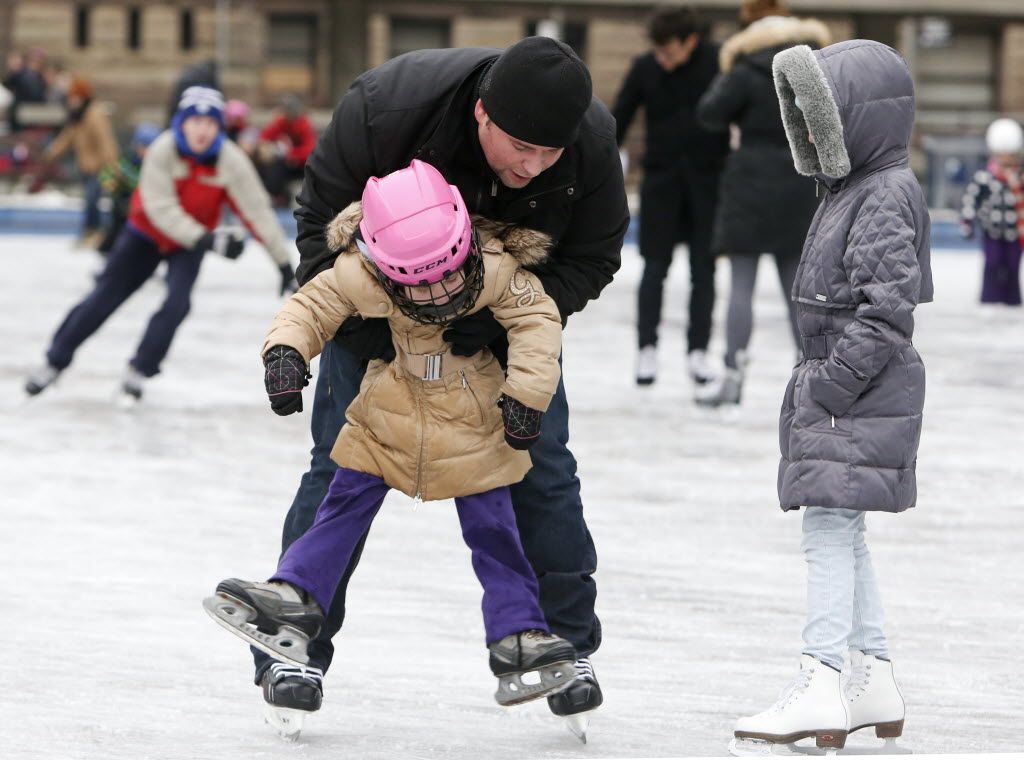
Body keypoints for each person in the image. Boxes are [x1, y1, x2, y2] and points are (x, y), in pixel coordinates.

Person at [252, 37, 627, 743]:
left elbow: (593, 257)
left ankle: (562, 646)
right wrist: (371, 347)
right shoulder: (385, 111)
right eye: (520, 146)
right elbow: (317, 241)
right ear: (482, 114)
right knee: (340, 466)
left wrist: (500, 327)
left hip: (510, 320)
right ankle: (292, 646)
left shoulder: (590, 142)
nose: (533, 166)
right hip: (377, 322)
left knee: (541, 469)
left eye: (550, 154)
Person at [205, 160, 578, 737]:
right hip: (388, 412)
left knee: (496, 531)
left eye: (449, 275)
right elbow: (312, 304)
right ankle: (293, 594)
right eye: (418, 280)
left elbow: (536, 321)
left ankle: (519, 635)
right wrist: (284, 354)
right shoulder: (363, 272)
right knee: (339, 507)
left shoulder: (500, 267)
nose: (436, 291)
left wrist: (526, 398)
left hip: (473, 420)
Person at [728, 40, 932, 756]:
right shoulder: (851, 190)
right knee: (843, 528)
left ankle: (821, 681)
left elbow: (886, 311)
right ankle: (872, 677)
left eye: (824, 118)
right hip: (848, 387)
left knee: (826, 528)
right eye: (806, 121)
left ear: (859, 119)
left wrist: (827, 384)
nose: (813, 135)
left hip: (856, 388)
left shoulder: (880, 194)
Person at [24, 87, 297, 402]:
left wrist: (283, 265)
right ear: (182, 122)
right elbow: (161, 209)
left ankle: (139, 370)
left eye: (210, 124)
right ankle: (54, 361)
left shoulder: (230, 160)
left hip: (189, 242)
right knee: (104, 297)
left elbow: (257, 210)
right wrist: (209, 240)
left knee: (177, 304)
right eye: (195, 121)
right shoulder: (162, 150)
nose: (202, 130)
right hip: (146, 234)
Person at [695, 0, 829, 406]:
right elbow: (827, 120)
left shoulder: (744, 66)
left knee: (740, 286)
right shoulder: (809, 66)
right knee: (797, 288)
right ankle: (811, 378)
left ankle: (733, 377)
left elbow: (709, 114)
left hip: (749, 181)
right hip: (798, 180)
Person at [611, 5, 729, 386]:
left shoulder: (718, 63)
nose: (662, 59)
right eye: (658, 51)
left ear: (690, 41)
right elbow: (618, 120)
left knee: (704, 271)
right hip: (661, 184)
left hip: (708, 184)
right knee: (654, 268)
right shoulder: (645, 67)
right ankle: (647, 349)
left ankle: (698, 352)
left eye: (669, 51)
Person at [41, 76, 118, 247]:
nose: (70, 101)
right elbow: (66, 138)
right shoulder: (77, 117)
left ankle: (94, 232)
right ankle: (90, 232)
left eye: (73, 97)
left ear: (82, 98)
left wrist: (112, 166)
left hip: (100, 167)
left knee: (92, 200)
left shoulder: (94, 115)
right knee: (90, 200)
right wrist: (51, 153)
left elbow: (105, 142)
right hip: (86, 167)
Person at [960, 117, 1023, 306]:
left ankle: (1012, 299)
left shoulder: (1019, 176)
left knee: (1013, 266)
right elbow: (971, 199)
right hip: (992, 232)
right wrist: (967, 221)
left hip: (1015, 233)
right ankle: (989, 298)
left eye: (1009, 153)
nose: (1006, 157)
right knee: (993, 264)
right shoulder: (985, 176)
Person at [96, 122, 162, 254]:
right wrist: (110, 181)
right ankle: (108, 250)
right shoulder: (128, 160)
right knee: (118, 227)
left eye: (150, 147)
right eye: (143, 146)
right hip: (124, 204)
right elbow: (108, 173)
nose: (145, 151)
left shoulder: (159, 165)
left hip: (146, 206)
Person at [255, 93, 317, 203]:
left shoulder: (305, 125)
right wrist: (266, 147)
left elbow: (309, 151)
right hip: (287, 164)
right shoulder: (282, 122)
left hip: (303, 166)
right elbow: (264, 137)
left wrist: (289, 153)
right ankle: (276, 195)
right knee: (270, 165)